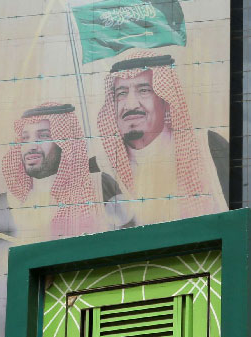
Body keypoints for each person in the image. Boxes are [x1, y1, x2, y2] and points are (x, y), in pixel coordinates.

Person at [96, 51, 229, 227]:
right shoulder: (99, 170)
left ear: (165, 100)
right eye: (121, 93)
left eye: (144, 90)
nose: (131, 105)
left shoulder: (209, 148)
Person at [0, 102, 113, 244]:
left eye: (43, 136)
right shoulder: (5, 203)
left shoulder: (99, 187)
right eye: (25, 138)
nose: (32, 146)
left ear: (65, 144)